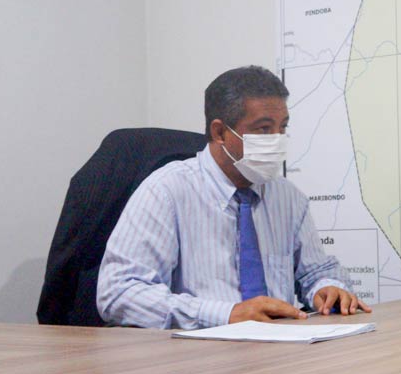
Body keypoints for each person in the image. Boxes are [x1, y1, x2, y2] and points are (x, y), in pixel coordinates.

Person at [97, 65, 370, 329]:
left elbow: (316, 272)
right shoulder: (166, 191)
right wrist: (225, 314)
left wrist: (328, 288)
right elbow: (119, 293)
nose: (277, 139)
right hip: (197, 361)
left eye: (282, 128)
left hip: (282, 353)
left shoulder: (288, 197)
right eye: (263, 129)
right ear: (220, 133)